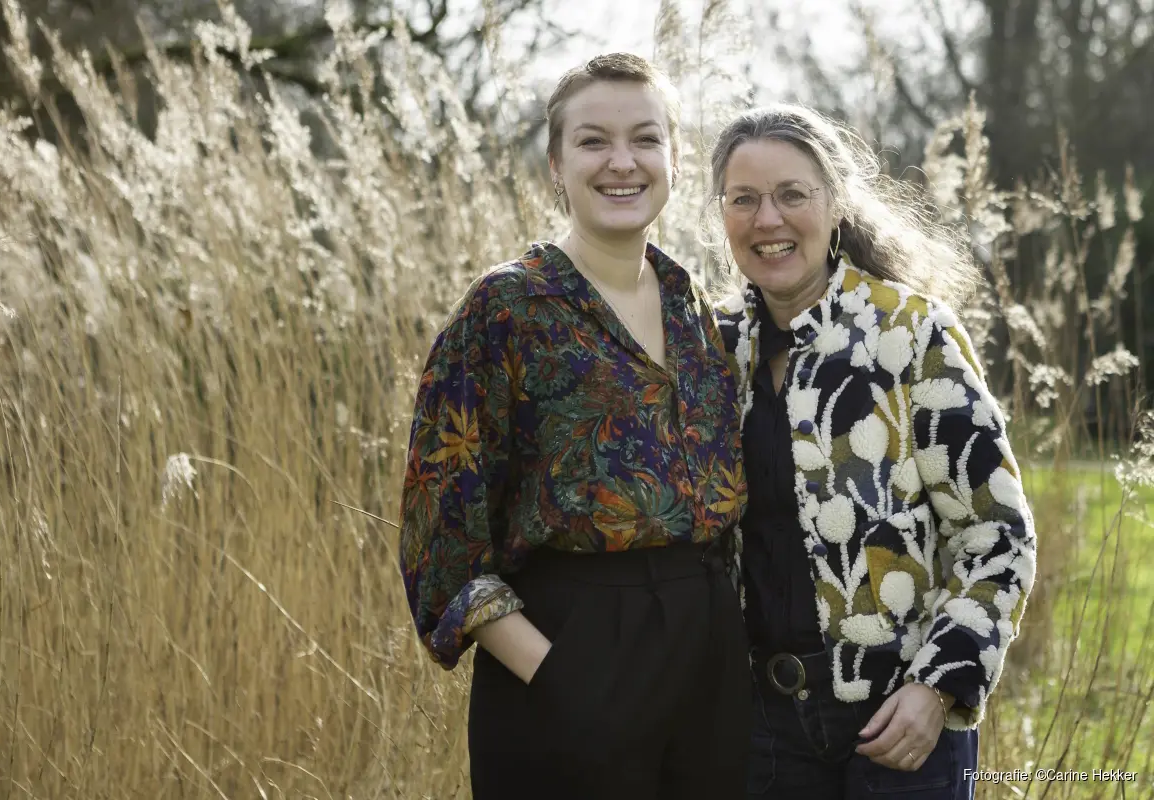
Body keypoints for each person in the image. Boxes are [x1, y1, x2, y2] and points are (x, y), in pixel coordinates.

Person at [398, 53, 752, 800]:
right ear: (557, 164)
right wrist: (556, 673)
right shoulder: (506, 308)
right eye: (594, 141)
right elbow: (441, 542)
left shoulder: (695, 306)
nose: (622, 162)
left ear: (675, 159)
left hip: (709, 662)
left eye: (645, 139)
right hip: (569, 655)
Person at [710, 104, 1038, 799]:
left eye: (792, 194)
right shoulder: (712, 350)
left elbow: (998, 534)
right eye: (744, 199)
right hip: (761, 731)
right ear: (724, 215)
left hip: (901, 721)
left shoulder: (910, 335)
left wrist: (938, 687)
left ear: (835, 205)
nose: (768, 219)